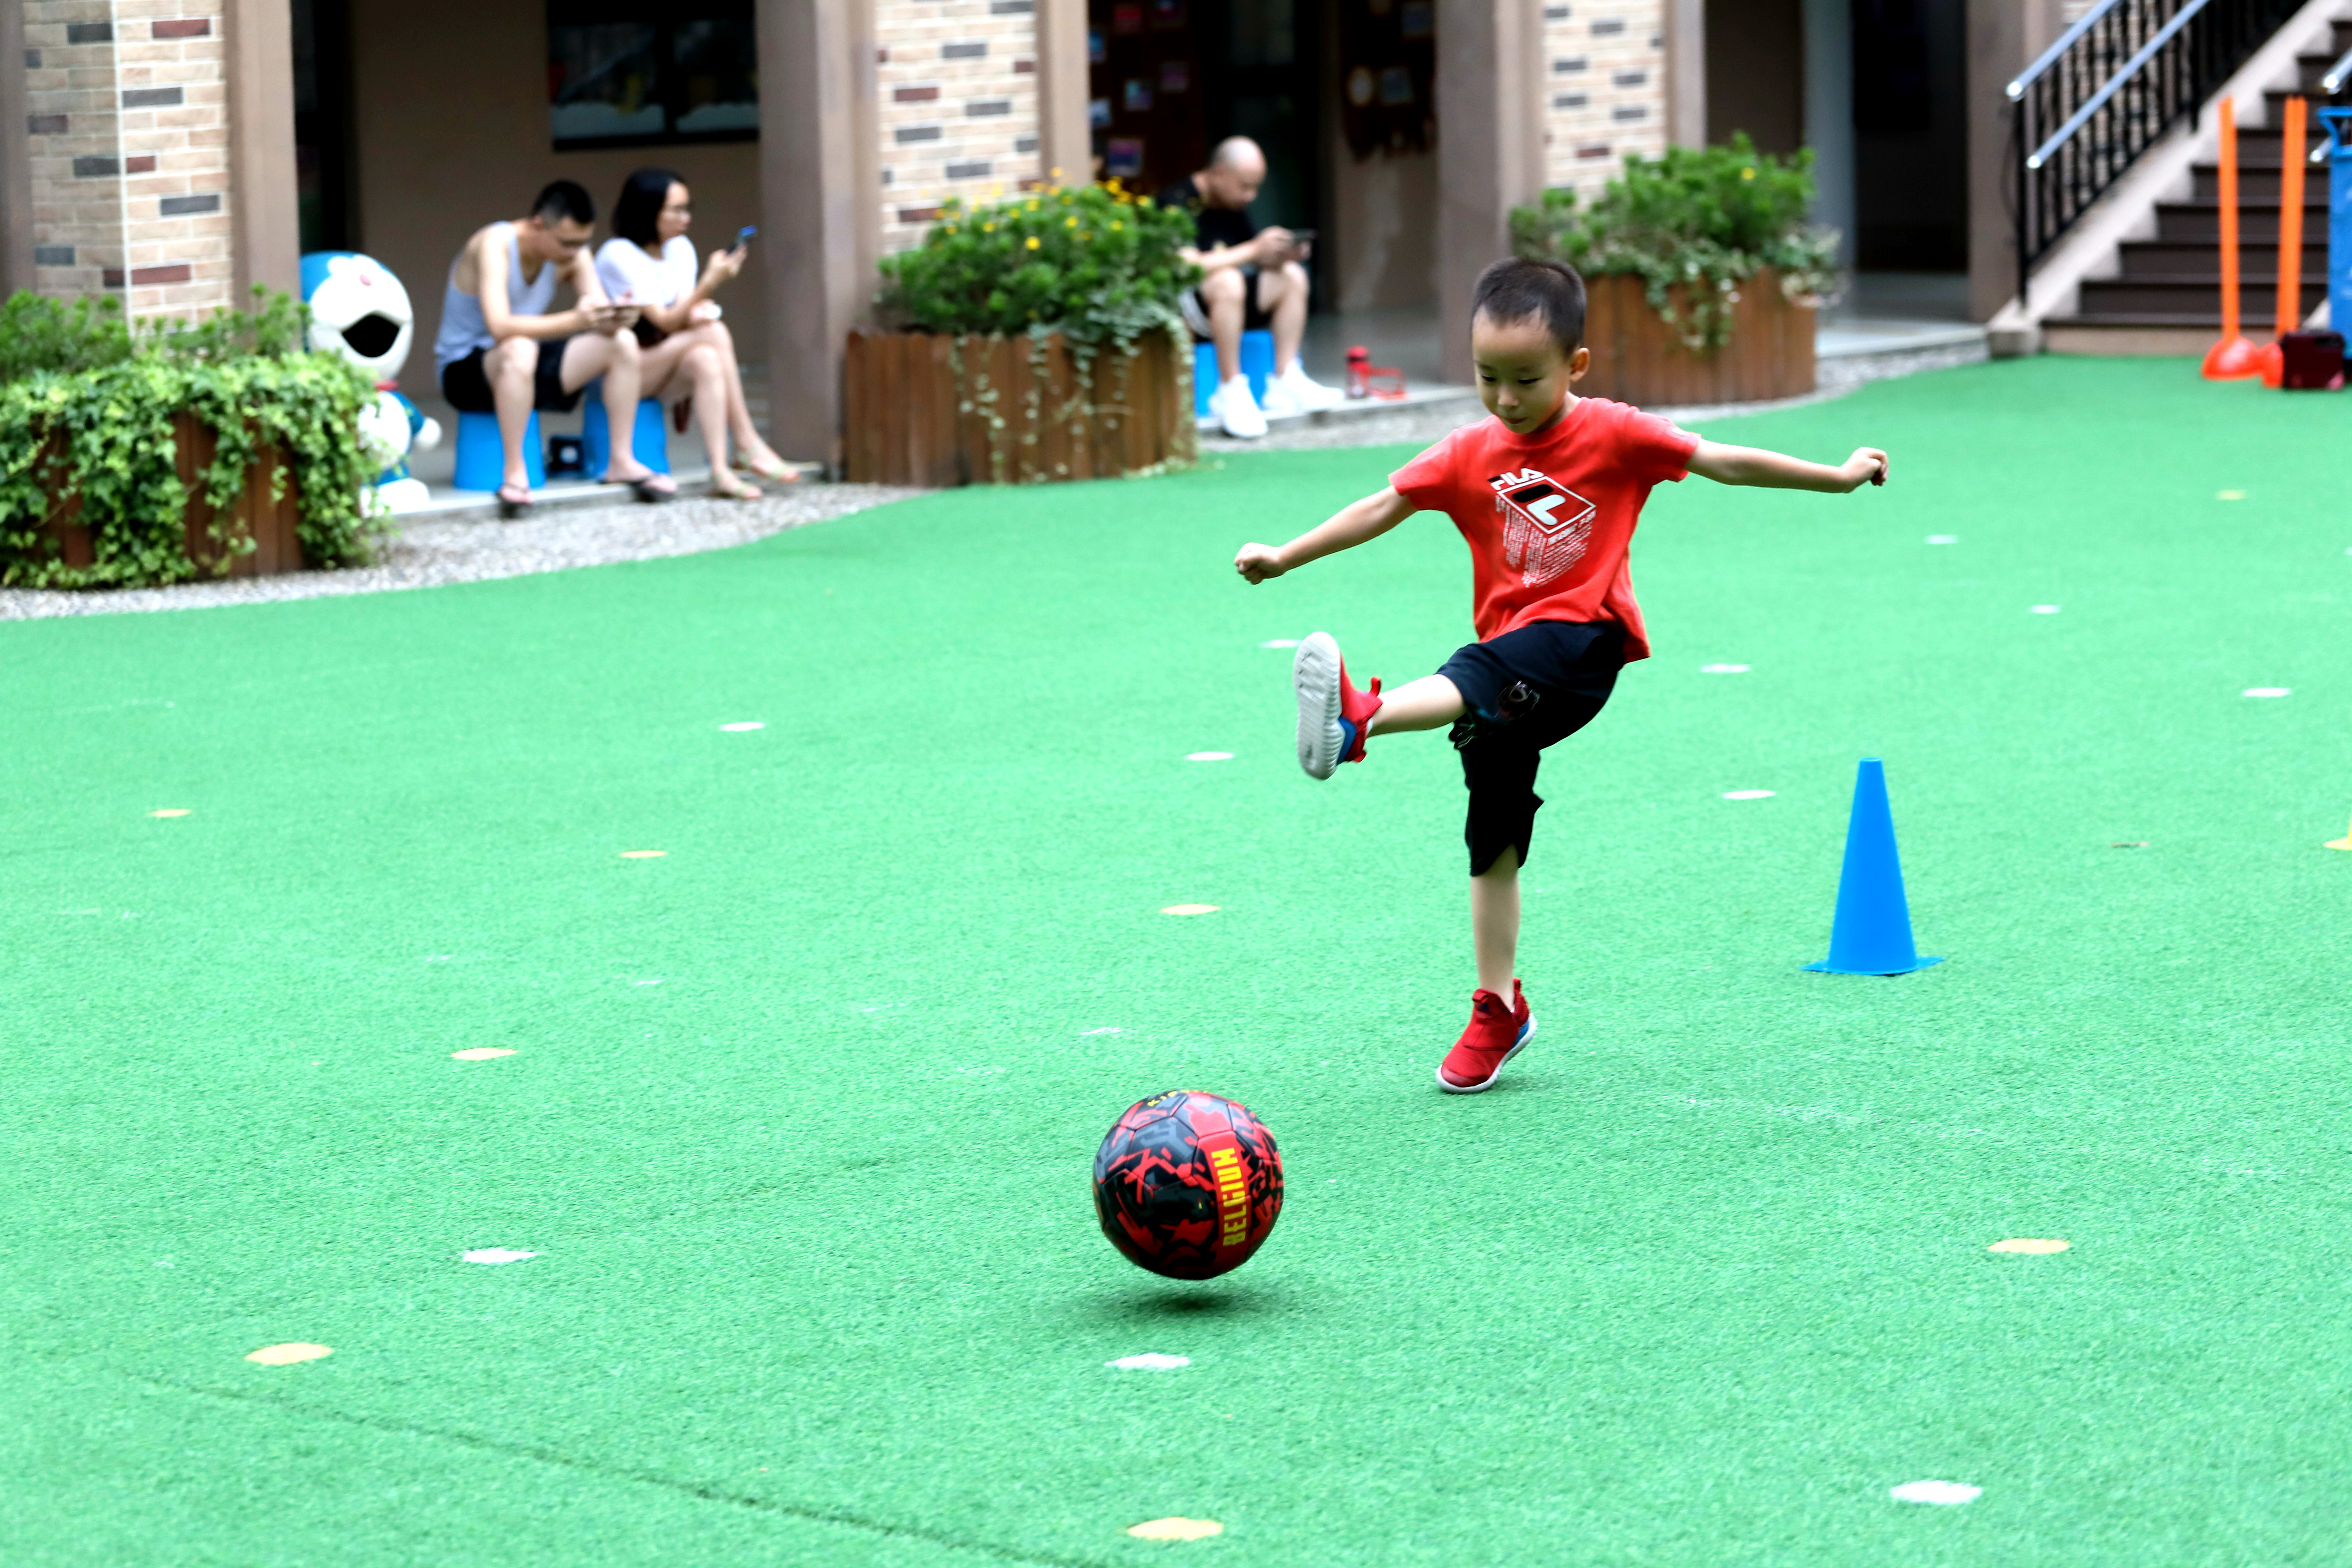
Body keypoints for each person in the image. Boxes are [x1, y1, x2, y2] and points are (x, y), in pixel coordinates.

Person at [1232, 257, 1889, 1093]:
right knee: (1493, 840)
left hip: (1583, 651)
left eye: (1526, 380)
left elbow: (1725, 459)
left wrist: (1833, 477)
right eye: (1487, 378)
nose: (1506, 399)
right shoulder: (1471, 450)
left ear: (1576, 367)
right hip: (1511, 670)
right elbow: (1381, 504)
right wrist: (1286, 556)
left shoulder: (1615, 432)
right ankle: (1498, 1007)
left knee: (1474, 672)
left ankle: (1358, 721)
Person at [433, 180, 675, 518]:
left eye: (582, 243)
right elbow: (500, 327)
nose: (575, 252)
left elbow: (598, 317)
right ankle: (515, 475)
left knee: (620, 343)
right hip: (465, 372)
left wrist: (621, 316)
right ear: (537, 226)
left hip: (524, 368)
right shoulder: (495, 243)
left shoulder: (575, 254)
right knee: (519, 348)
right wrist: (577, 321)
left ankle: (621, 460)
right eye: (567, 243)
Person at [595, 168, 802, 500]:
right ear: (647, 212)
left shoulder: (680, 249)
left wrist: (701, 309)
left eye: (688, 208)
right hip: (624, 372)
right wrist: (711, 283)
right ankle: (747, 442)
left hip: (666, 361)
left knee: (707, 357)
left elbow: (682, 315)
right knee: (715, 334)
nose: (686, 218)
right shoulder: (618, 255)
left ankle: (720, 470)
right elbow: (664, 321)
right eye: (677, 210)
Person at [1157, 137, 1345, 439]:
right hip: (1190, 310)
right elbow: (1185, 268)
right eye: (1245, 186)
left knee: (1293, 275)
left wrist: (1280, 255)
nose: (1251, 196)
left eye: (1256, 186)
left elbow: (1253, 259)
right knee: (1228, 281)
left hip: (1232, 305)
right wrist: (1254, 249)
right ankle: (1229, 388)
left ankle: (1285, 379)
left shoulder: (1232, 203)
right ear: (1218, 174)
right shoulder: (1176, 200)